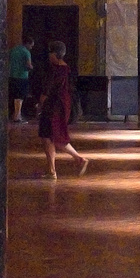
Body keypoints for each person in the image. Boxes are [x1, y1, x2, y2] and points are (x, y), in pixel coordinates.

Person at [38, 40, 89, 178]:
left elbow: (47, 89)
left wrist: (40, 104)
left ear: (55, 54)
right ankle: (52, 170)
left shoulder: (55, 70)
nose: (49, 56)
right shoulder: (66, 69)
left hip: (53, 106)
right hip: (63, 104)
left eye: (50, 53)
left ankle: (77, 159)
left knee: (52, 136)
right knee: (50, 136)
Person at [9, 38, 35, 123]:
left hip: (12, 76)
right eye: (31, 45)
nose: (31, 47)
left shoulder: (13, 50)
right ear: (27, 43)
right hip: (22, 76)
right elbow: (28, 65)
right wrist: (32, 68)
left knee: (14, 96)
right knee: (20, 97)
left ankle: (15, 114)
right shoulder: (26, 52)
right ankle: (17, 116)